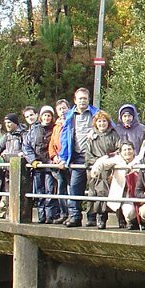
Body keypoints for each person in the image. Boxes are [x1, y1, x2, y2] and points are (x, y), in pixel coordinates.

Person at [54, 88, 98, 227]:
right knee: (74, 186)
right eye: (80, 98)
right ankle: (75, 216)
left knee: (93, 188)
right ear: (75, 100)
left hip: (93, 156)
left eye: (85, 98)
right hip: (77, 156)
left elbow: (109, 130)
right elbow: (65, 138)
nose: (83, 101)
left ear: (88, 99)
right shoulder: (70, 116)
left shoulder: (96, 114)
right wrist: (63, 157)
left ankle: (92, 218)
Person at [83, 110, 120, 229]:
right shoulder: (91, 136)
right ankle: (91, 217)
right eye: (99, 121)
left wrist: (107, 161)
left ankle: (102, 218)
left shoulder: (113, 134)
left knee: (104, 193)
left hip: (108, 170)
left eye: (104, 121)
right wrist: (97, 162)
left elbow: (119, 150)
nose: (102, 124)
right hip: (94, 170)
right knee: (93, 193)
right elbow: (87, 155)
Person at [90, 140, 140, 229]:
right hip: (121, 191)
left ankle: (134, 221)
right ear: (120, 152)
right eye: (124, 150)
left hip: (134, 193)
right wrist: (95, 171)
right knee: (127, 211)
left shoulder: (138, 160)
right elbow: (103, 163)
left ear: (134, 150)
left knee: (130, 212)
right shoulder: (117, 159)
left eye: (129, 149)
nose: (127, 152)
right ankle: (127, 221)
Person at [23, 105, 58, 224]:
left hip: (49, 165)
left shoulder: (55, 129)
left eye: (49, 115)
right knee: (39, 192)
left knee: (50, 191)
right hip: (37, 165)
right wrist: (32, 160)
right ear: (41, 116)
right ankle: (41, 216)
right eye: (45, 115)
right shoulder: (34, 130)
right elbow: (26, 147)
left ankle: (50, 216)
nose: (47, 118)